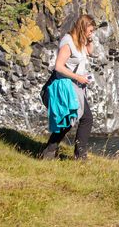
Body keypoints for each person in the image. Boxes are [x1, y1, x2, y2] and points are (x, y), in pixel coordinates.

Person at [41, 14, 96, 160]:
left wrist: (89, 40)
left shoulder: (81, 40)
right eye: (90, 31)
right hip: (63, 87)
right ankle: (79, 156)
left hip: (74, 87)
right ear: (82, 28)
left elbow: (90, 52)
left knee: (70, 120)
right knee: (82, 119)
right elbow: (58, 66)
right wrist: (79, 77)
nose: (91, 33)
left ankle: (49, 153)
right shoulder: (68, 42)